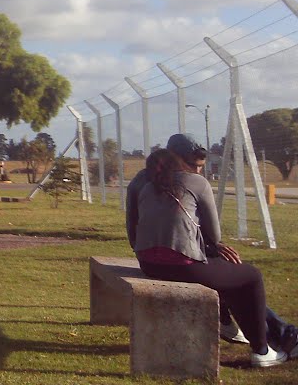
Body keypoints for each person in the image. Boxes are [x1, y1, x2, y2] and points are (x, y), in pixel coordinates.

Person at [126, 134, 297, 368]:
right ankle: (265, 346)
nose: (197, 172)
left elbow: (135, 229)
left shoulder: (142, 183)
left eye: (200, 167)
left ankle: (241, 324)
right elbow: (212, 234)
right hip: (178, 259)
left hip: (148, 259)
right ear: (174, 158)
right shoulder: (189, 183)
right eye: (193, 166)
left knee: (226, 269)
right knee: (248, 277)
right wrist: (208, 245)